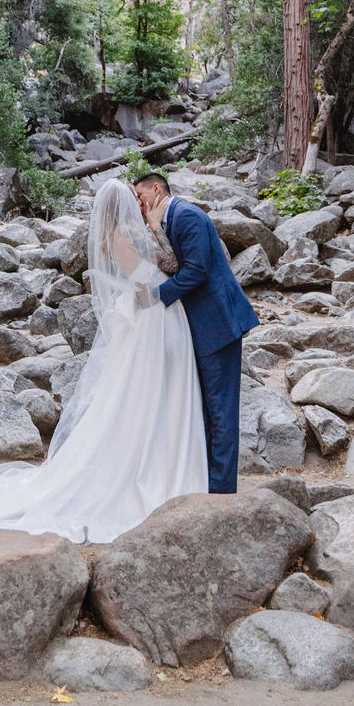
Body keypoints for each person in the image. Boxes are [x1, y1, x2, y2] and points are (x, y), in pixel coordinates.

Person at [0, 178, 208, 544]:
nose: (139, 206)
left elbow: (163, 269)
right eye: (133, 201)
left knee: (149, 396)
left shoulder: (123, 238)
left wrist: (155, 237)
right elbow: (148, 282)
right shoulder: (123, 241)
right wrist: (156, 238)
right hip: (152, 318)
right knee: (141, 397)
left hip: (156, 318)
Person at [132, 171, 259, 493]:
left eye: (140, 196)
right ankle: (204, 481)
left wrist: (156, 297)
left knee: (220, 410)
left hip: (217, 322)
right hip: (199, 326)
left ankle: (221, 490)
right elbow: (172, 264)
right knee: (203, 408)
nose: (138, 203)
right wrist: (154, 229)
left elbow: (197, 271)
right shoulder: (167, 220)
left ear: (156, 189)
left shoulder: (187, 216)